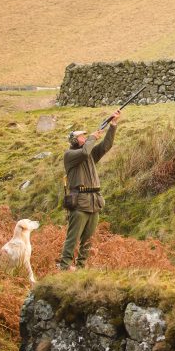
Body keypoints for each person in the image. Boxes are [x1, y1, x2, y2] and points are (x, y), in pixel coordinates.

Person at [57, 109, 121, 270]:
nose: (84, 137)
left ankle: (81, 267)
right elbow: (85, 152)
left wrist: (112, 125)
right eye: (81, 136)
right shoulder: (70, 155)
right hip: (80, 203)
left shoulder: (89, 154)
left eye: (85, 136)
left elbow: (106, 146)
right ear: (74, 141)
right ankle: (64, 266)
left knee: (88, 239)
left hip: (94, 202)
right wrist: (92, 137)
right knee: (73, 238)